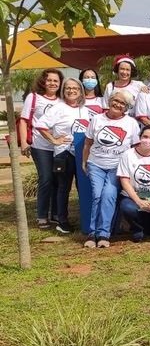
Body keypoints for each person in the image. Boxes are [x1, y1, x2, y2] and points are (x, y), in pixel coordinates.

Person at [82, 91, 140, 248]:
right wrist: (84, 161)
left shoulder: (131, 123)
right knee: (97, 195)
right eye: (116, 100)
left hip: (117, 167)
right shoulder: (96, 119)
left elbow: (135, 148)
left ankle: (104, 234)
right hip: (96, 164)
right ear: (110, 100)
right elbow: (87, 143)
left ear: (126, 108)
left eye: (122, 103)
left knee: (109, 195)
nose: (118, 105)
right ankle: (92, 233)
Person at [35, 78, 89, 233]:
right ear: (63, 91)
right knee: (63, 187)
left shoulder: (84, 109)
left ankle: (85, 218)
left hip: (81, 153)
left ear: (80, 91)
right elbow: (40, 125)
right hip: (64, 153)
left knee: (82, 186)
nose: (71, 91)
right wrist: (54, 140)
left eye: (75, 88)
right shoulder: (58, 108)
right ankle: (62, 220)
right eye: (68, 88)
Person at [19, 68, 63, 227]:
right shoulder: (33, 97)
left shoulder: (62, 100)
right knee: (46, 178)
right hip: (40, 145)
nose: (52, 83)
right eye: (49, 80)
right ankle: (42, 215)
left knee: (58, 180)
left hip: (59, 147)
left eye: (56, 81)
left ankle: (56, 214)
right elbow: (24, 120)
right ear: (43, 81)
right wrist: (24, 142)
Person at [117, 125, 150, 243]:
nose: (147, 140)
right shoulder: (127, 155)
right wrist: (138, 201)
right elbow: (124, 181)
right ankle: (137, 229)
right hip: (132, 197)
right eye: (145, 136)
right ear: (140, 137)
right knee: (128, 208)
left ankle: (149, 225)